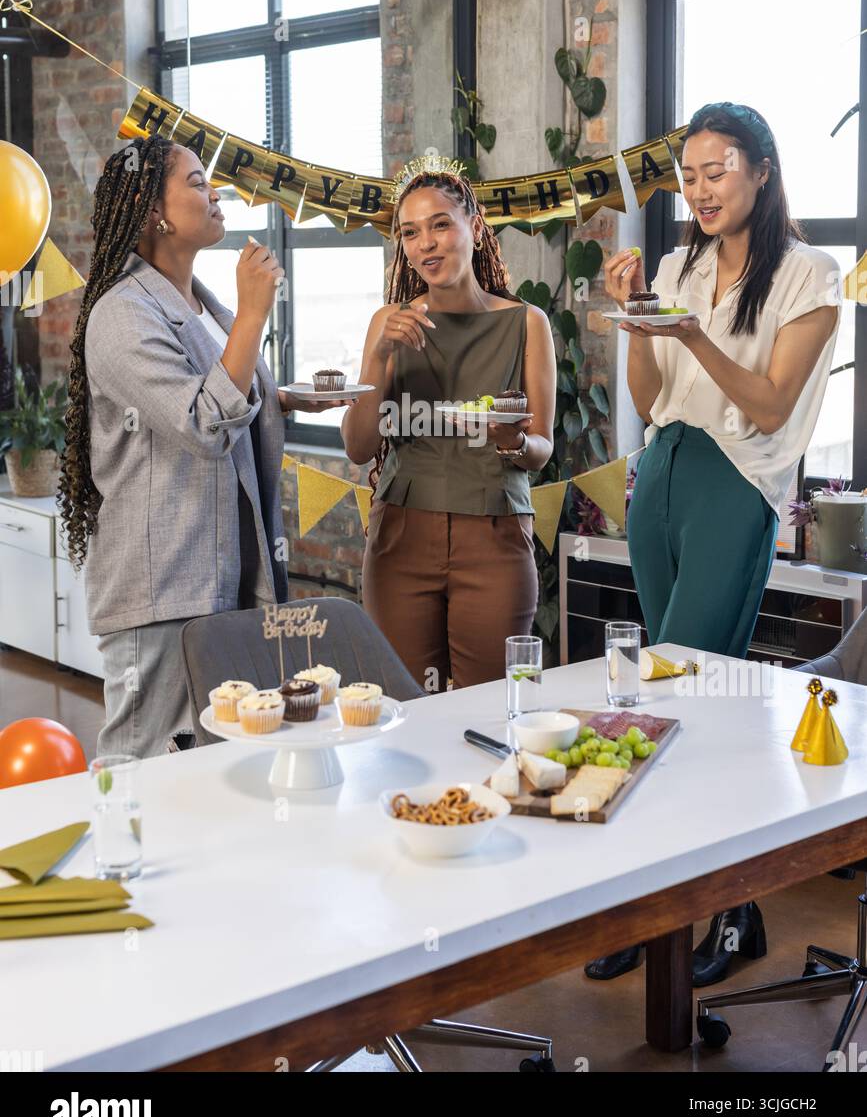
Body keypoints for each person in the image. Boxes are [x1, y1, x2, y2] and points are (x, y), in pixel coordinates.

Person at [589, 101, 841, 987]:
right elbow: (652, 397)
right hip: (660, 471)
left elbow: (770, 406)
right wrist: (638, 319)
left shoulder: (810, 276)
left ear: (762, 170)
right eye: (687, 175)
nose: (698, 189)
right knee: (652, 709)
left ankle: (727, 914)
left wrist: (689, 330)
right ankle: (650, 912)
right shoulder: (675, 264)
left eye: (717, 169)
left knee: (696, 704)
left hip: (736, 488)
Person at [58, 134, 349, 758]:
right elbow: (201, 423)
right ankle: (116, 859)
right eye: (195, 182)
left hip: (223, 577)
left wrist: (284, 399)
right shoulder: (121, 314)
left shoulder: (200, 306)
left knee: (214, 761)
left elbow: (223, 393)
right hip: (162, 587)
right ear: (152, 212)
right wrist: (252, 316)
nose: (214, 193)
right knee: (143, 760)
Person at [342, 162, 556, 691]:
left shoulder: (527, 322)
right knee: (408, 702)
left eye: (440, 225)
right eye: (410, 233)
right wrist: (379, 355)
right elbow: (357, 445)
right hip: (401, 535)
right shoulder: (389, 321)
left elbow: (541, 448)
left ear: (474, 227)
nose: (426, 245)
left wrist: (514, 441)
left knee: (489, 699)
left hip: (494, 533)